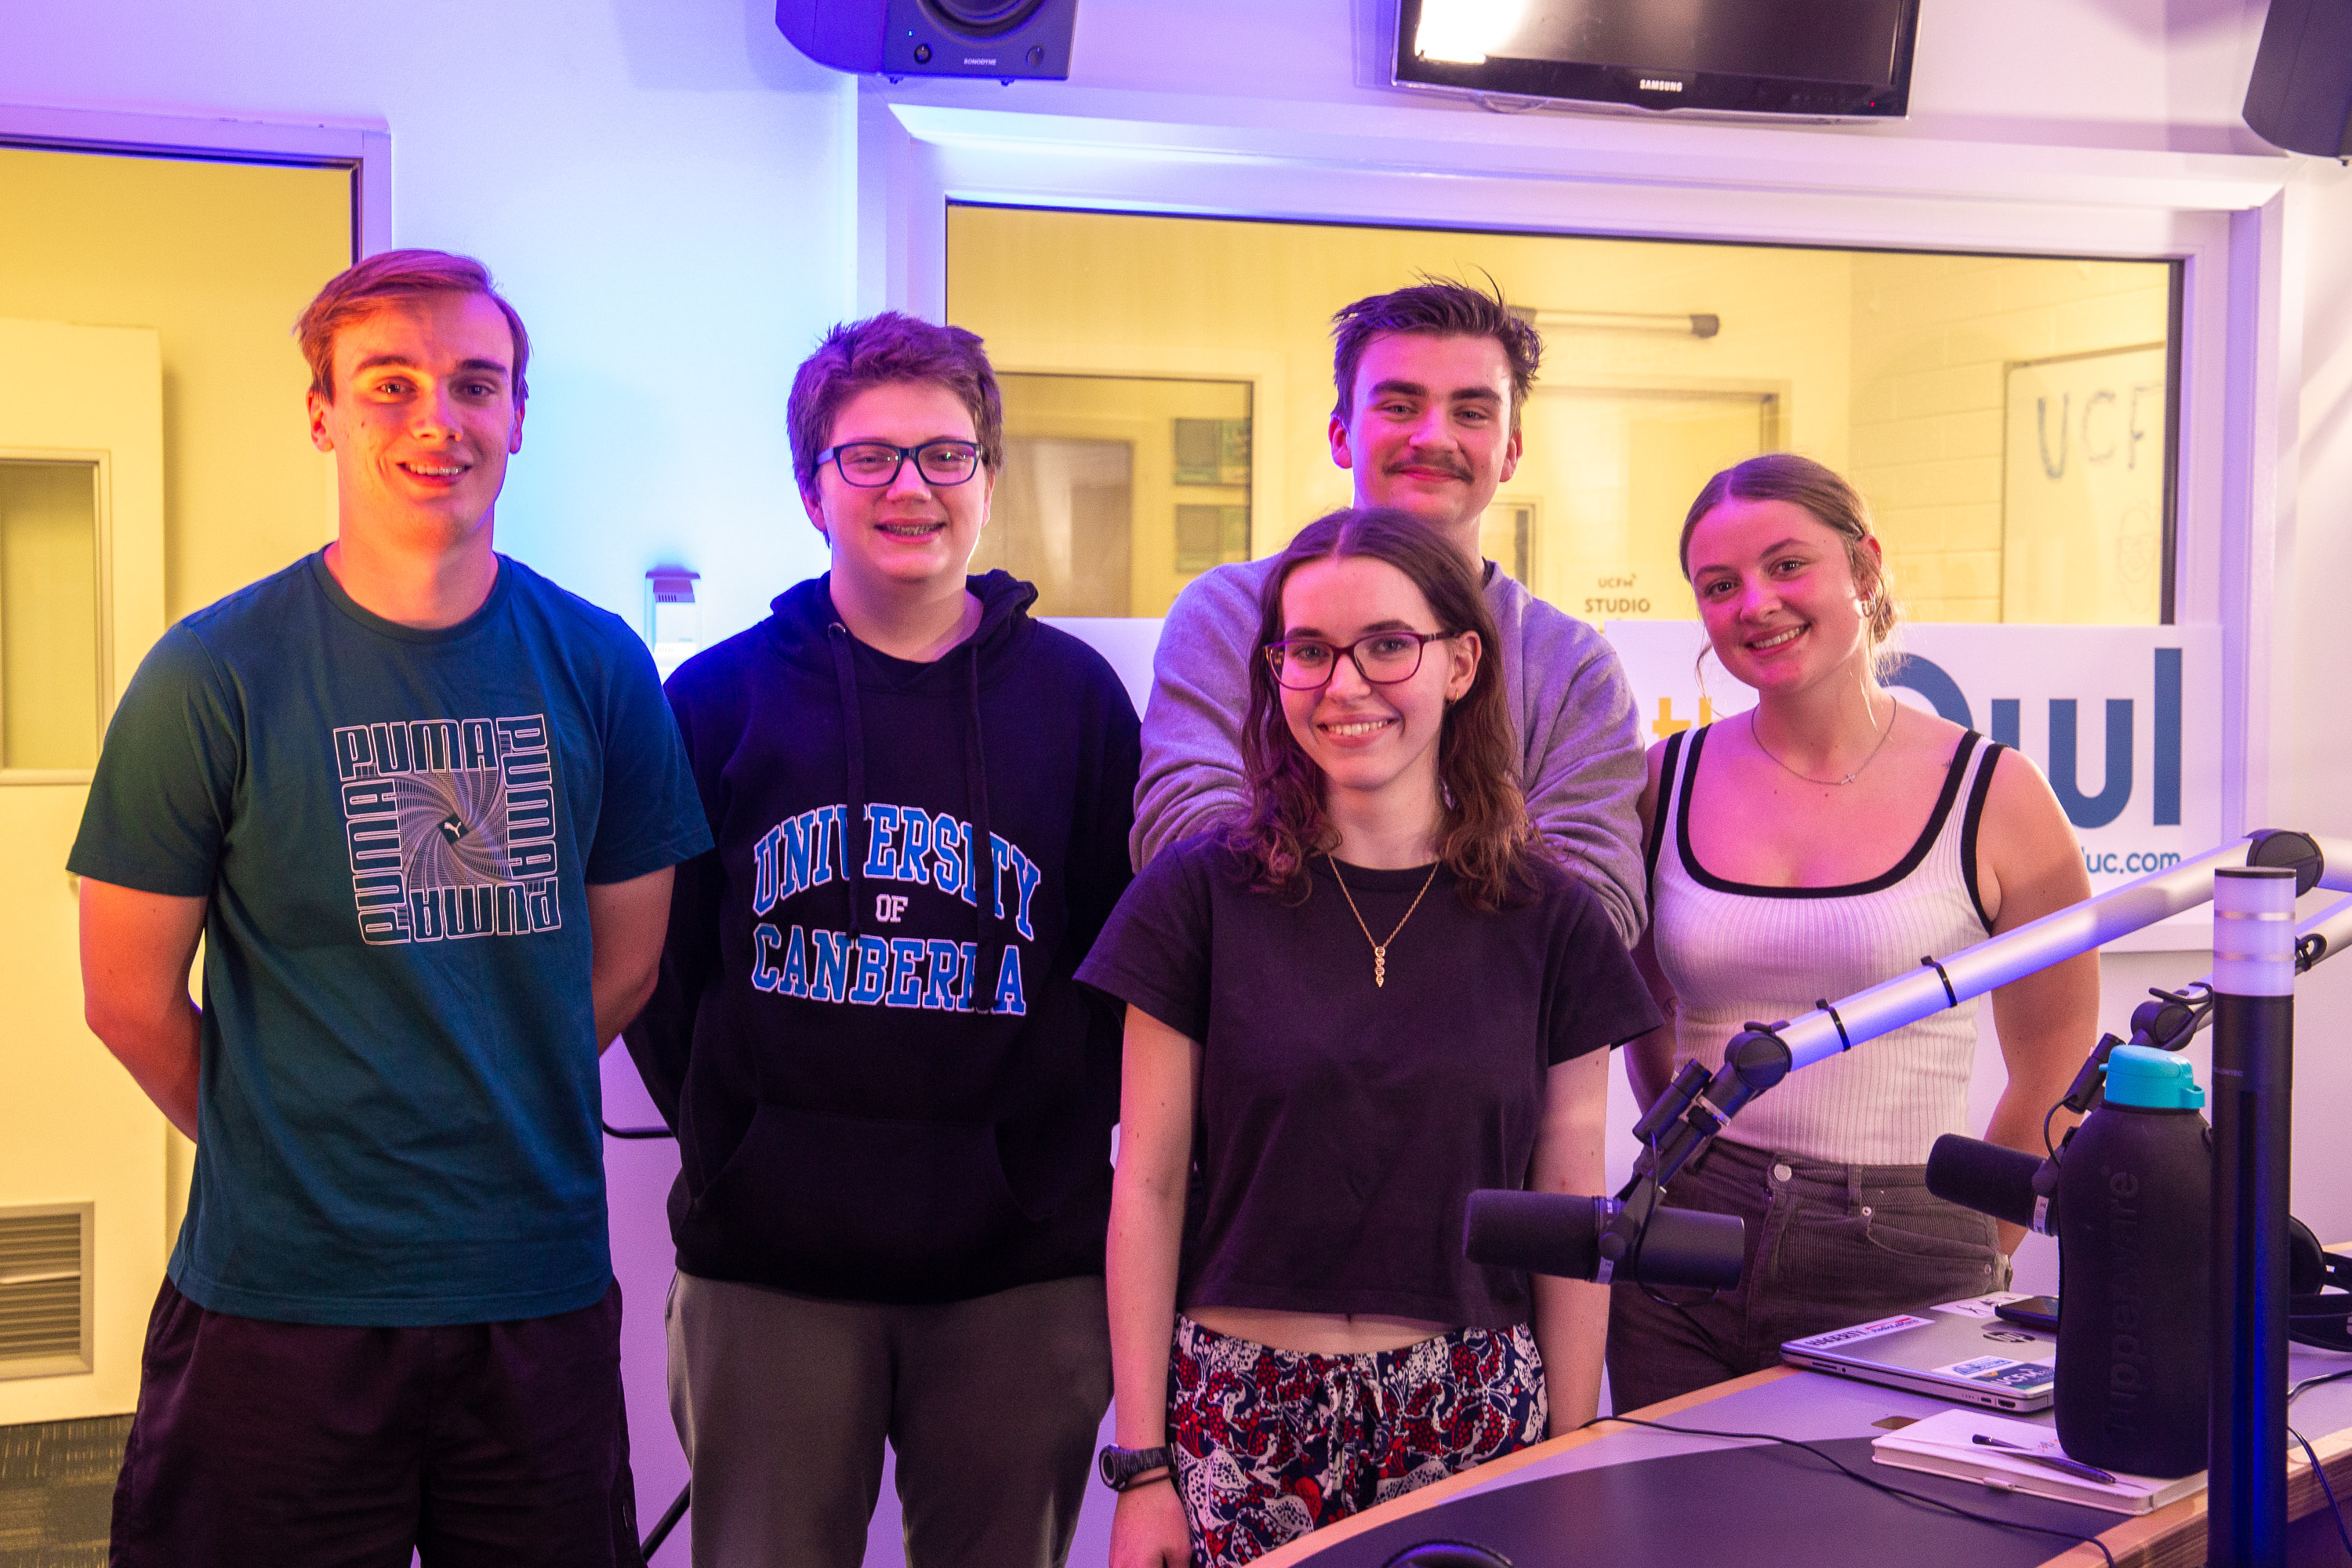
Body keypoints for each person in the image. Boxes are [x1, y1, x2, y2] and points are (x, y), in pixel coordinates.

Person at [71, 249, 711, 1566]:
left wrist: (487, 1080)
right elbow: (127, 998)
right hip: (281, 1301)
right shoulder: (212, 675)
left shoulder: (599, 666)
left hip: (531, 1297)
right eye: (391, 384)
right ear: (323, 413)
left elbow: (631, 964)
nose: (438, 419)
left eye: (477, 384)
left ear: (520, 416)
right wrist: (287, 1148)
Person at [622, 311, 1141, 1568]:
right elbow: (663, 977)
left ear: (988, 477)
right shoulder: (718, 700)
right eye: (870, 458)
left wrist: (1039, 1160)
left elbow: (1117, 972)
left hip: (1020, 1275)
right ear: (814, 488)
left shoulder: (1078, 703)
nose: (911, 487)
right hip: (771, 1271)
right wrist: (742, 1147)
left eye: (945, 455)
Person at [1080, 508, 1661, 1568]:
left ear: (1460, 663)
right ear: (1275, 673)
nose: (1344, 685)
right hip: (1244, 1411)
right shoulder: (1196, 898)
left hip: (1475, 1412)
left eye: (1387, 645)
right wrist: (1144, 1470)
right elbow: (1148, 1190)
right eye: (1309, 650)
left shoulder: (1553, 918)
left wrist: (1572, 1460)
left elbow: (1574, 1213)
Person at [1605, 453, 2099, 1413]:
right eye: (1720, 584)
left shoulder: (1997, 793)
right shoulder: (1659, 780)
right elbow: (1647, 1007)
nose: (1756, 602)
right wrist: (1688, 1154)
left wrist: (1961, 1237)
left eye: (1788, 565)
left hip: (1908, 1240)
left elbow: (2059, 1063)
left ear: (1864, 566)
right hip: (1685, 1242)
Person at [1131, 278, 1646, 945]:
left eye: (1471, 412)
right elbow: (1181, 841)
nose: (1434, 437)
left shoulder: (1575, 667)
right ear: (1342, 436)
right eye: (1401, 406)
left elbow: (1599, 912)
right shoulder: (1228, 618)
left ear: (1511, 450)